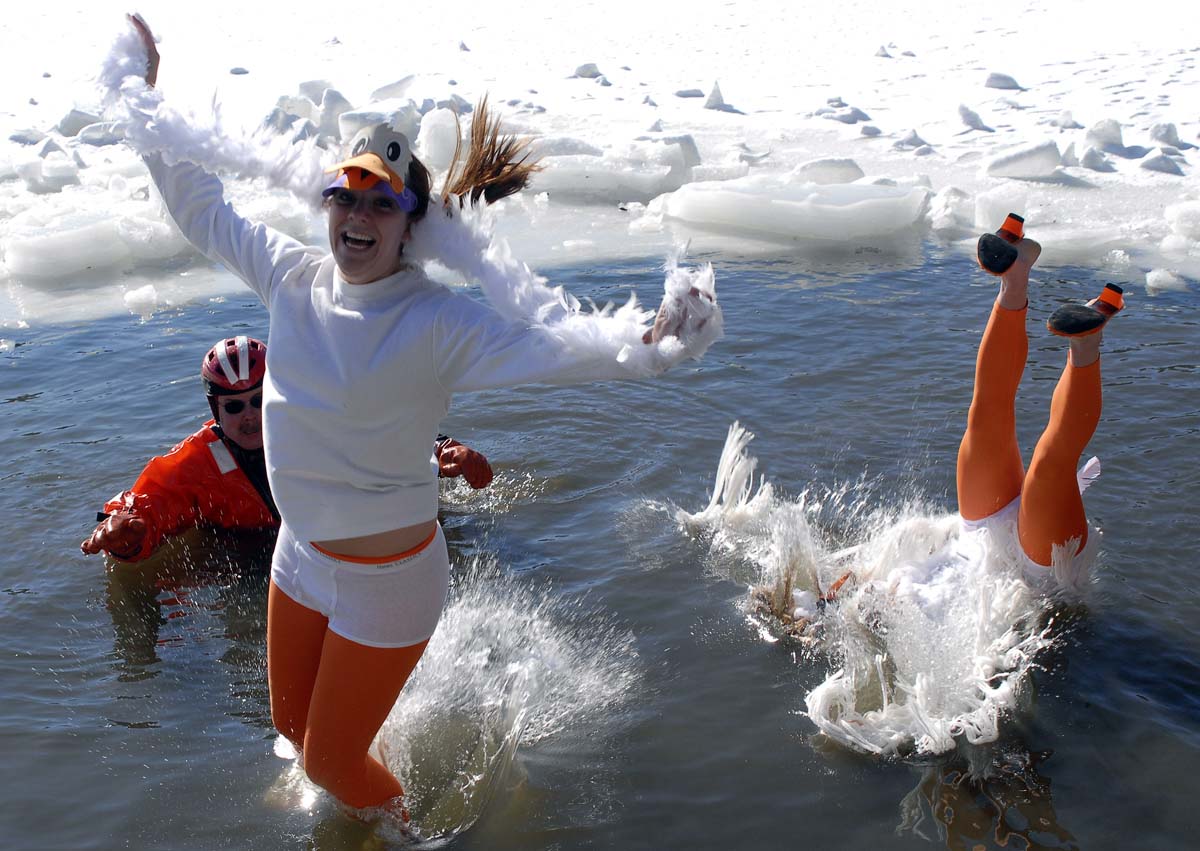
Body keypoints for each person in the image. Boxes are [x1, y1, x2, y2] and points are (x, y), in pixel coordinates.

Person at [117, 15, 720, 821]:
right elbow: (200, 209)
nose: (358, 217)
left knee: (329, 763)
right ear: (326, 200)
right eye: (347, 195)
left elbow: (551, 349)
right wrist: (144, 102)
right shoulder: (290, 276)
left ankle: (404, 829)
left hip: (389, 580)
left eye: (382, 202)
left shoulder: (435, 322)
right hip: (299, 557)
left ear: (412, 224)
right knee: (294, 731)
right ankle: (369, 765)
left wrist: (648, 342)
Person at [80, 336, 493, 564]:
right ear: (214, 409)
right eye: (235, 407)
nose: (250, 417)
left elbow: (385, 434)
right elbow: (148, 505)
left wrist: (443, 451)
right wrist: (125, 533)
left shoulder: (317, 420)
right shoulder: (194, 462)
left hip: (333, 537)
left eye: (260, 401)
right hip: (251, 558)